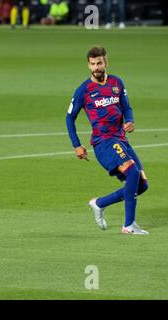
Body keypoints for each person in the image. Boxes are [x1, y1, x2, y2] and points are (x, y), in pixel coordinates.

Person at [66, 46, 149, 235]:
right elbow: (69, 117)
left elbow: (127, 107)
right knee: (132, 173)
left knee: (142, 185)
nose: (97, 67)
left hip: (121, 139)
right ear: (88, 65)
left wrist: (130, 120)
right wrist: (76, 145)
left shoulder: (116, 83)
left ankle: (99, 203)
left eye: (100, 63)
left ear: (106, 62)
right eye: (93, 64)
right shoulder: (84, 90)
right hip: (103, 142)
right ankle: (129, 226)